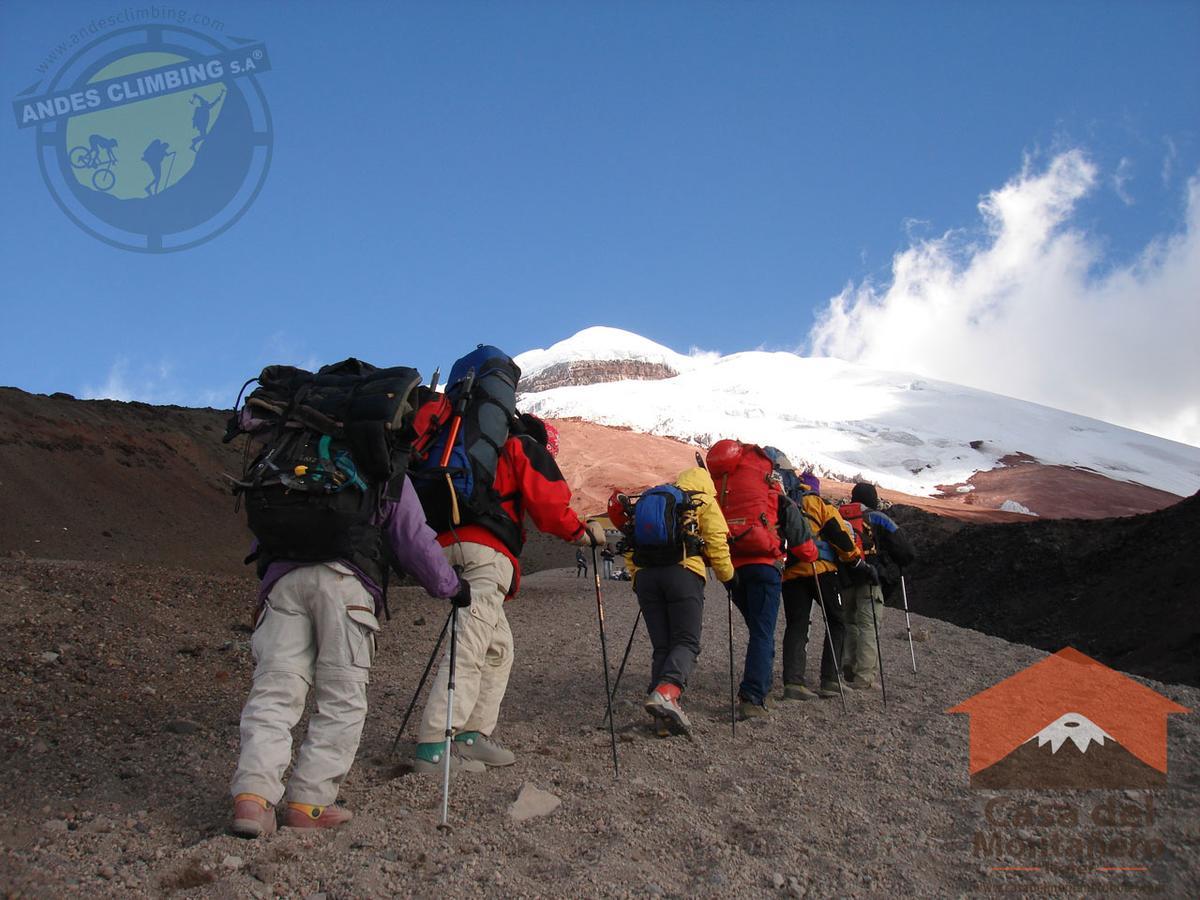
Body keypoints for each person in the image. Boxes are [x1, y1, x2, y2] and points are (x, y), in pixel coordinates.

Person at [229, 474, 471, 838]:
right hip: (345, 584)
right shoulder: (381, 459)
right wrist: (450, 585)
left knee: (275, 692)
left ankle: (253, 798)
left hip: (282, 583)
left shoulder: (292, 451)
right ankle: (309, 804)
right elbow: (411, 537)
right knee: (341, 699)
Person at [411, 395, 604, 774]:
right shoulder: (521, 446)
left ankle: (471, 735)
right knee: (470, 642)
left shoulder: (467, 445)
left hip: (444, 544)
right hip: (486, 552)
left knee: (498, 649)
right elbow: (550, 508)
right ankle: (434, 745)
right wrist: (584, 534)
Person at [622, 467, 735, 734]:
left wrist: (636, 577)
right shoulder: (703, 500)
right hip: (683, 573)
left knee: (663, 646)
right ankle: (667, 692)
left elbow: (630, 543)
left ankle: (662, 719)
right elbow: (718, 542)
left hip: (647, 578)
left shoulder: (655, 499)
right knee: (686, 642)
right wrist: (728, 576)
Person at [780, 473, 860, 700]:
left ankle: (793, 683)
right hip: (821, 569)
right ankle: (830, 679)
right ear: (815, 487)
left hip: (791, 573)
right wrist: (856, 560)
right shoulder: (820, 504)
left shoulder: (784, 502)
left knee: (797, 625)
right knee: (837, 621)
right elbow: (840, 536)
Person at [840, 482, 916, 689]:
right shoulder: (878, 518)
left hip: (844, 579)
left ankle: (846, 664)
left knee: (849, 622)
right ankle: (864, 677)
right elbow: (905, 551)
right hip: (870, 579)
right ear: (872, 498)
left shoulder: (840, 516)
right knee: (868, 625)